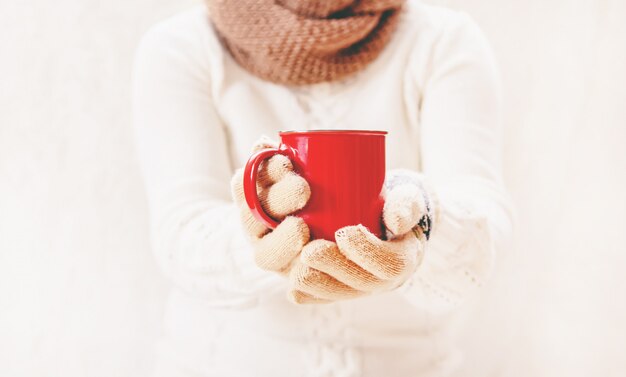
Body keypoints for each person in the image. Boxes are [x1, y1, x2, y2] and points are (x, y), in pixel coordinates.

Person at [131, 0, 514, 376]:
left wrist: (423, 221)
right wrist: (258, 237)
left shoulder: (444, 41)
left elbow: (483, 222)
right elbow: (179, 233)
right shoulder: (181, 46)